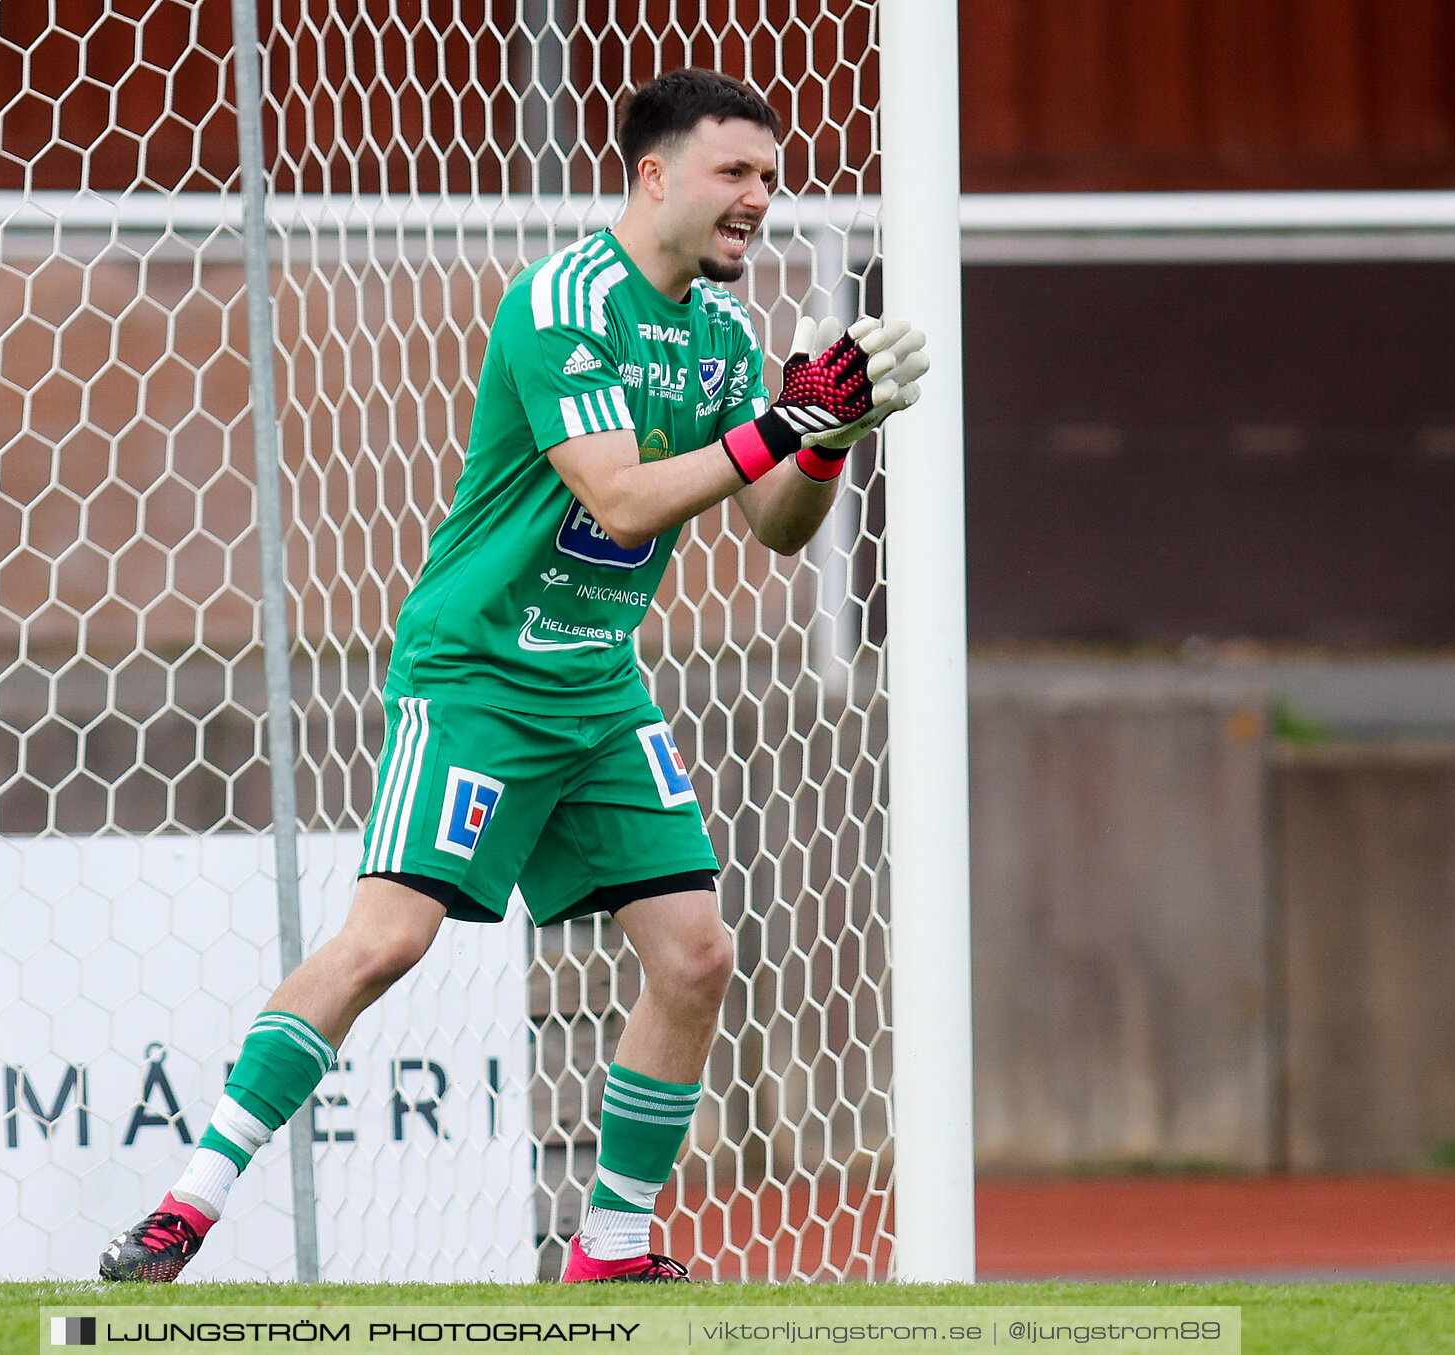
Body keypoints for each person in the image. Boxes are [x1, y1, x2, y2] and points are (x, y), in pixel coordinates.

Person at [99, 66, 926, 1285]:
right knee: (386, 942)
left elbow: (778, 525)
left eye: (768, 172)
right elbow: (623, 493)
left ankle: (611, 1244)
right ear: (656, 175)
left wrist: (830, 440)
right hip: (479, 673)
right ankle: (186, 1204)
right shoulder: (563, 303)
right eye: (735, 171)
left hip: (597, 684)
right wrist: (784, 424)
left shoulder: (719, 338)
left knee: (696, 954)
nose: (761, 195)